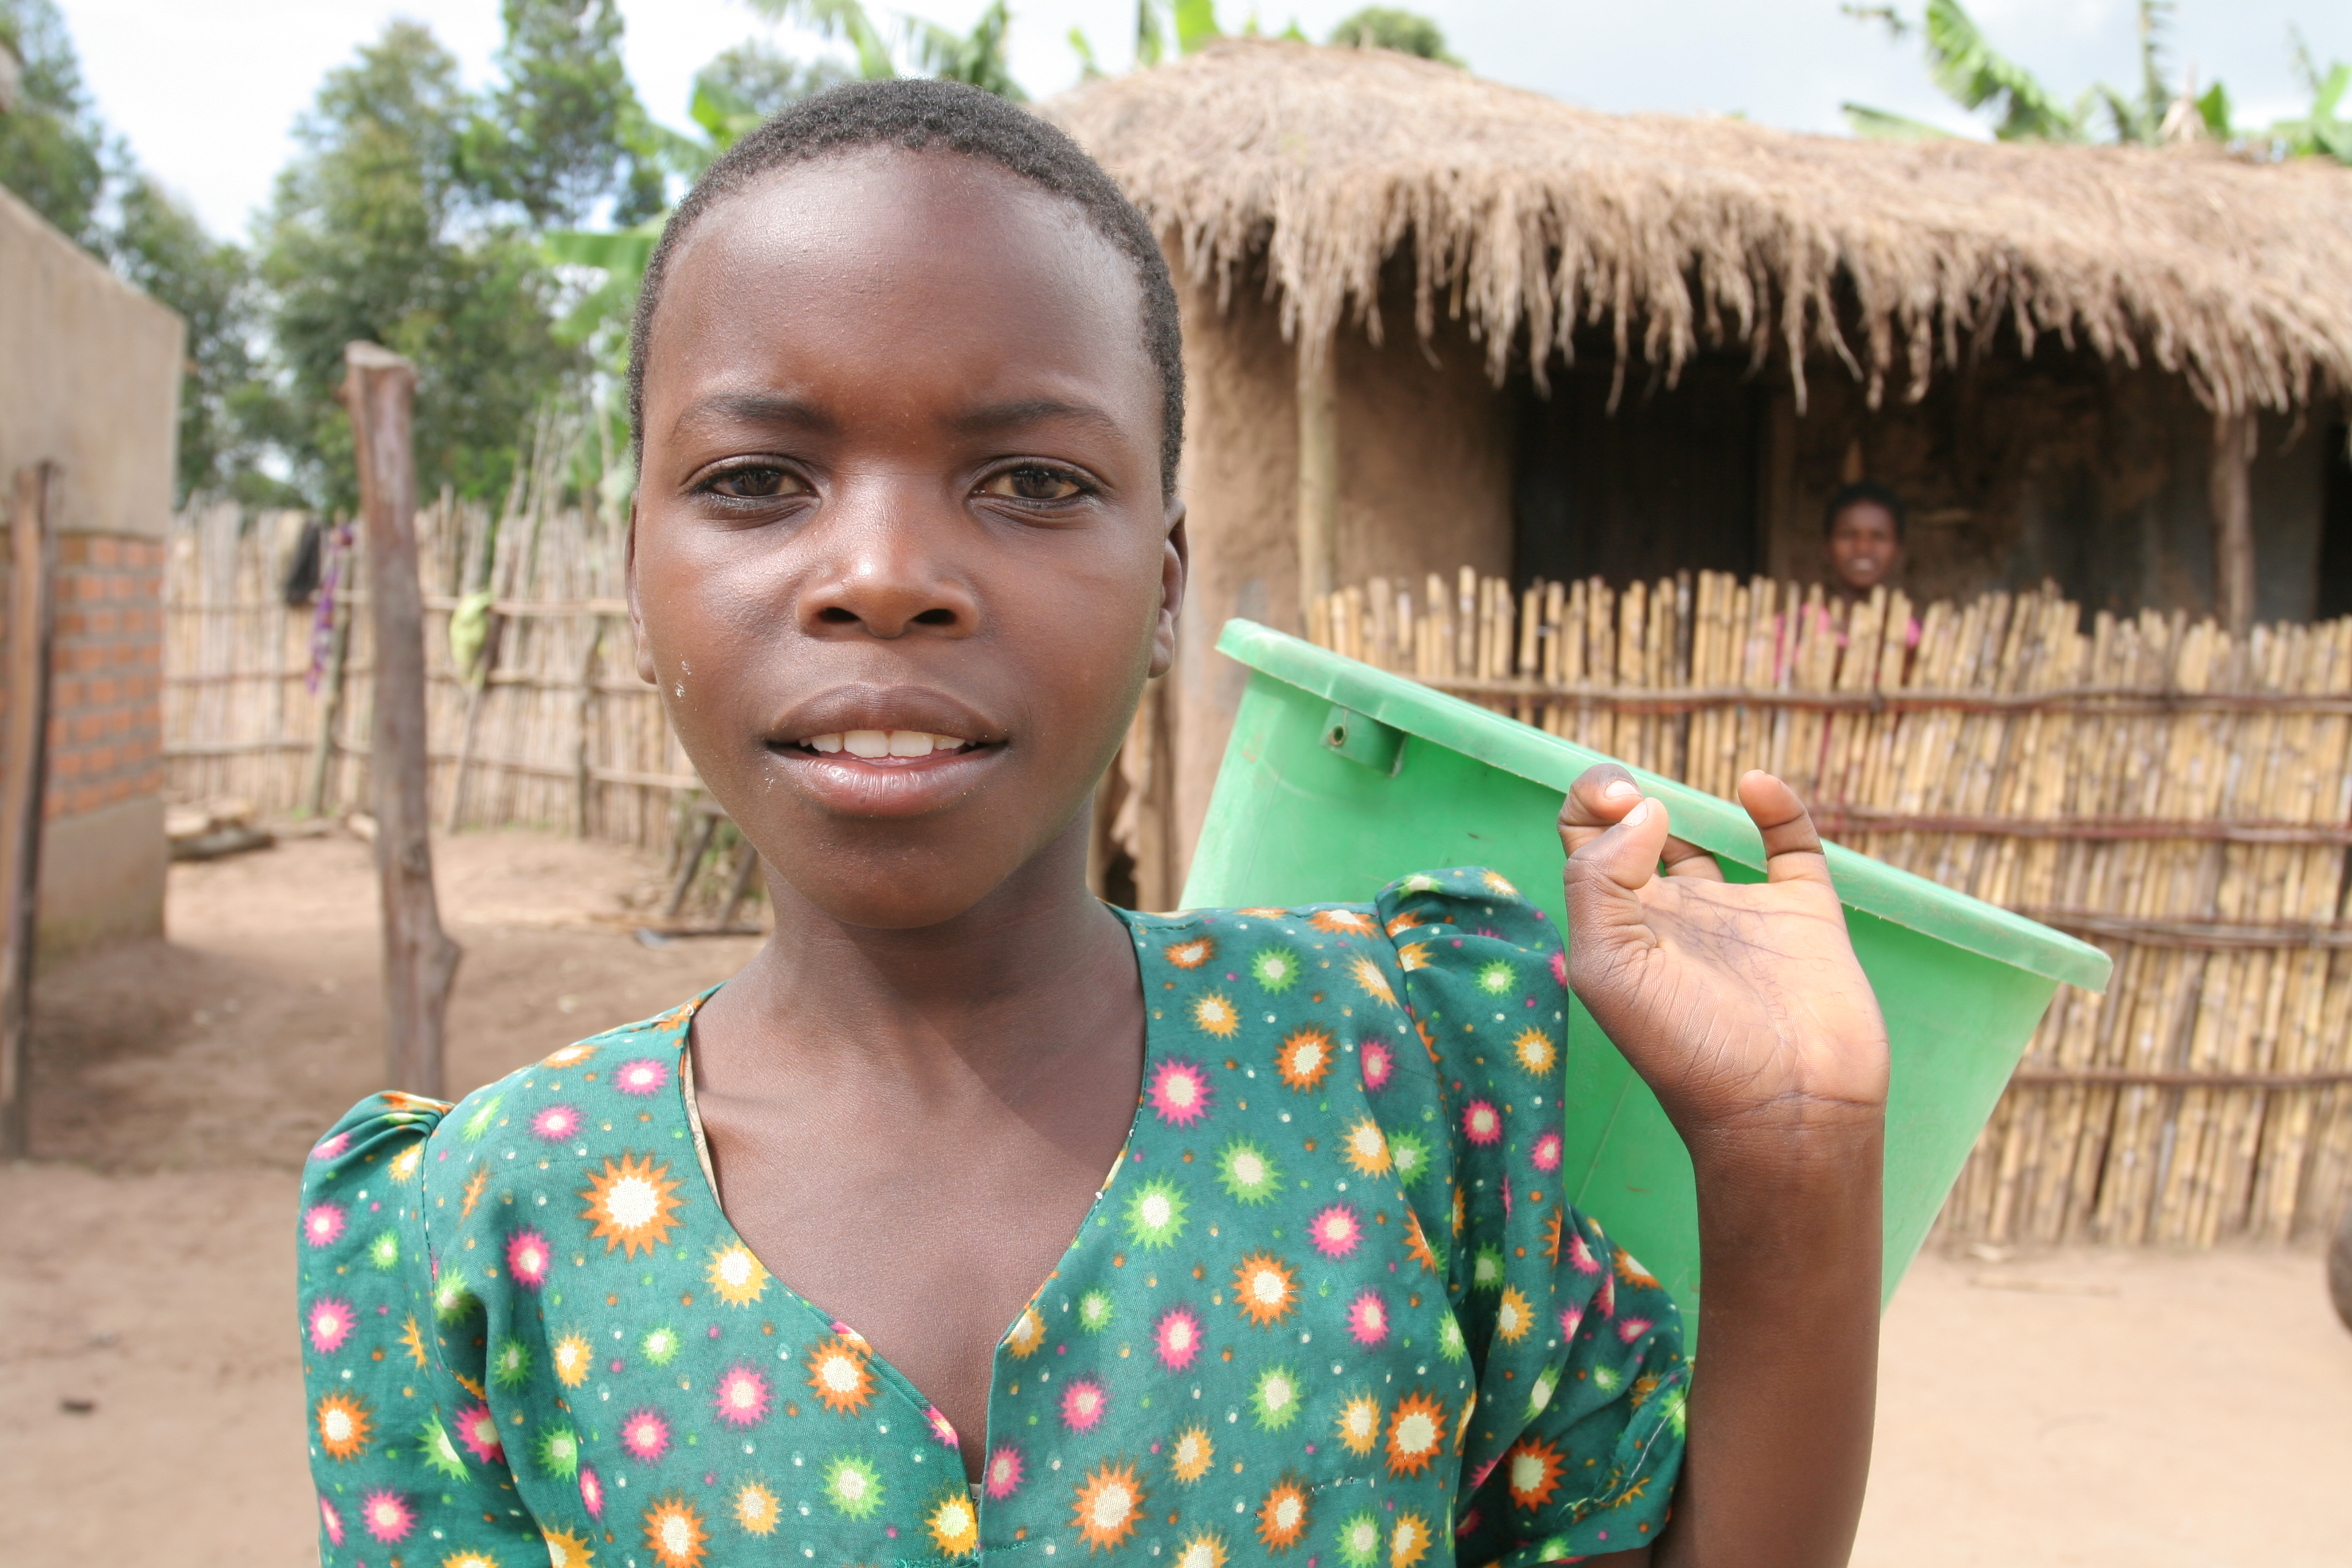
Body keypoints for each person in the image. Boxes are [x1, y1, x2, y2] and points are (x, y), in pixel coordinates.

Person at [295, 81, 1888, 1568]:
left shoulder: (1400, 1071)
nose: (884, 570)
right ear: (636, 571)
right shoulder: (483, 1221)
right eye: (761, 477)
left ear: (1166, 585)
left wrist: (1790, 1156)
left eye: (1034, 482)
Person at [1823, 481, 1906, 602]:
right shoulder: (1795, 621)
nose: (1863, 548)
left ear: (1899, 551)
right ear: (1827, 548)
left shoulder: (1916, 622)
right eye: (1848, 535)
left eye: (1879, 537)